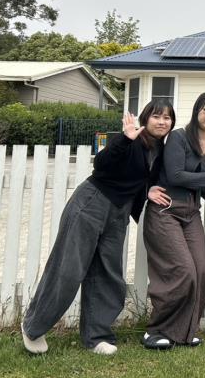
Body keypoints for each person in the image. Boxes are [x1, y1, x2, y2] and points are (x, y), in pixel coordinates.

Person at [22, 101, 175, 355]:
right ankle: (33, 327)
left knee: (107, 273)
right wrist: (124, 139)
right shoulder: (132, 140)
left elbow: (140, 179)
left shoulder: (160, 150)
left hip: (119, 212)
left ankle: (96, 336)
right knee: (68, 268)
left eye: (167, 118)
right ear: (146, 118)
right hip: (92, 202)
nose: (162, 122)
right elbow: (102, 164)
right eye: (157, 116)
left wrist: (148, 191)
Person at [142, 91, 205, 350]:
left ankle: (185, 331)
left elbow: (200, 186)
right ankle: (156, 330)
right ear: (197, 111)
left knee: (201, 269)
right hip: (165, 211)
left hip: (190, 213)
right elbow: (175, 176)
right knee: (183, 270)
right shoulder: (178, 137)